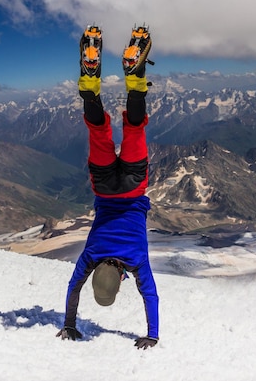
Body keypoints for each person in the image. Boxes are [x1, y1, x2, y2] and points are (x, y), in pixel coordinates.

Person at [56, 25, 159, 350]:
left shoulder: (137, 260)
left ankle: (135, 74)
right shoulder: (89, 257)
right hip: (102, 186)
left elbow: (151, 297)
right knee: (98, 132)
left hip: (132, 185)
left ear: (119, 280)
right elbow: (74, 289)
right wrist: (68, 324)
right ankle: (89, 81)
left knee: (134, 127)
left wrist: (152, 335)